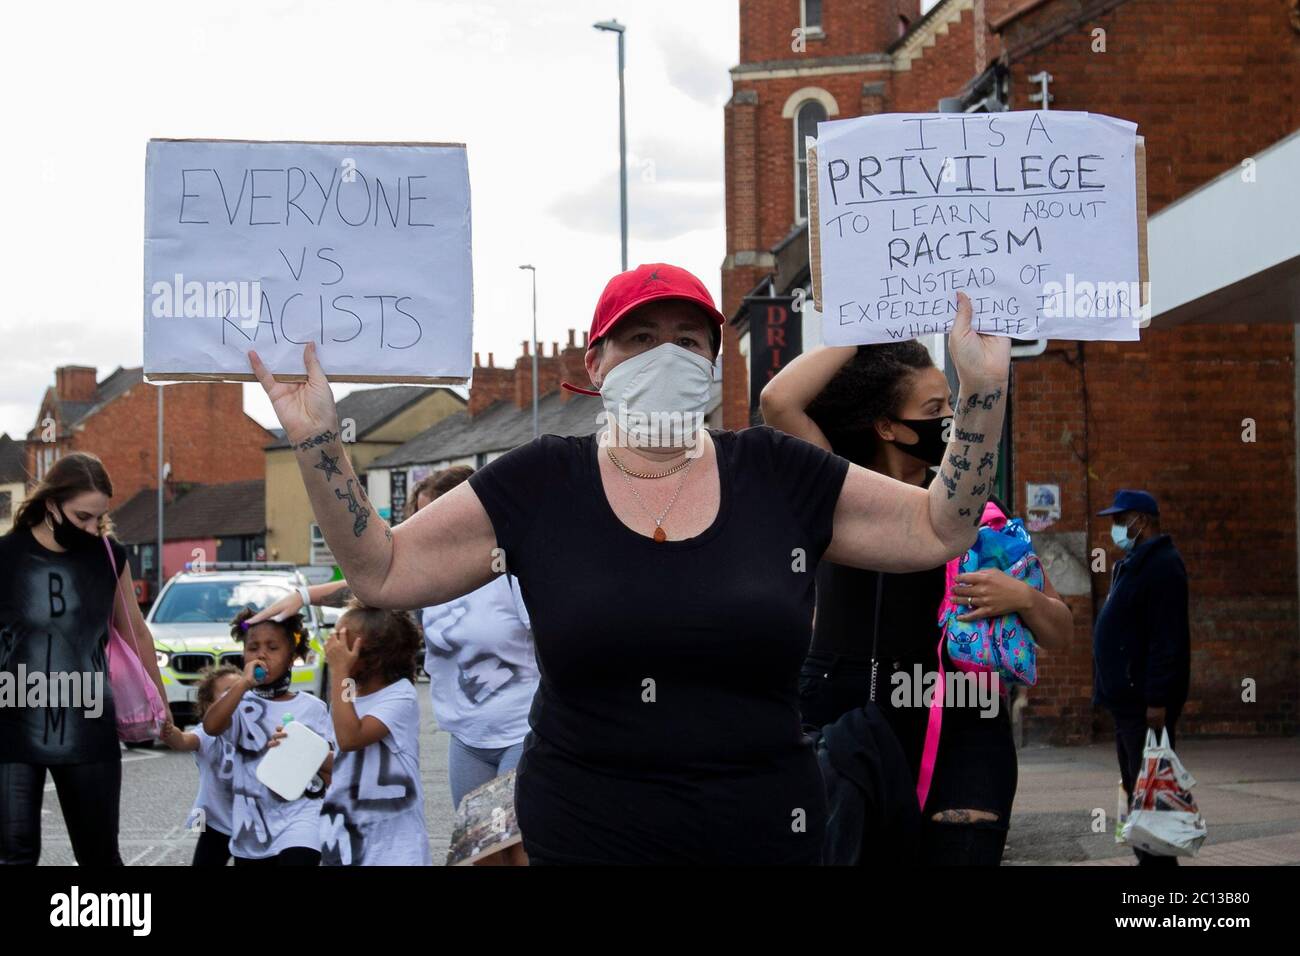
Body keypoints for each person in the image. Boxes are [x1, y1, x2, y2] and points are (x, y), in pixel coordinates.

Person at [250, 261, 1011, 865]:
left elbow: (937, 529)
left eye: (688, 338)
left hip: (765, 831)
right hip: (586, 833)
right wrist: (319, 439)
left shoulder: (778, 473)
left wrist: (982, 395)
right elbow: (384, 570)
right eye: (640, 340)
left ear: (715, 361)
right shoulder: (541, 481)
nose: (667, 356)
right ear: (597, 361)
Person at [762, 342, 1073, 865]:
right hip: (846, 715)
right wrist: (862, 326)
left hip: (963, 721)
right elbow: (778, 401)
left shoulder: (979, 510)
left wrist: (1019, 595)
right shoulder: (839, 487)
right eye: (934, 411)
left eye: (952, 406)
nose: (950, 421)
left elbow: (1060, 629)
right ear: (887, 426)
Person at [0, 452, 172, 865]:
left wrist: (162, 708)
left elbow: (136, 630)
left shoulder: (108, 555)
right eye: (82, 517)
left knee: (99, 856)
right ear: (51, 503)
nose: (93, 528)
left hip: (89, 724)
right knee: (13, 856)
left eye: (99, 518)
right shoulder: (5, 555)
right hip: (11, 727)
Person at [1092, 489, 1189, 867]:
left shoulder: (1163, 565)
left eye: (1120, 520)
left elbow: (1168, 640)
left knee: (1152, 788)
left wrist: (1157, 698)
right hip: (1126, 701)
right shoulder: (1134, 563)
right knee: (1138, 787)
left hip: (1143, 703)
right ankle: (1149, 861)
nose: (1116, 528)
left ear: (1141, 521)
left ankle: (1158, 866)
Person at [202, 608, 334, 865]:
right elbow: (211, 727)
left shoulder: (312, 708)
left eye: (273, 648)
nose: (261, 654)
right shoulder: (237, 704)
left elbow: (332, 767)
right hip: (252, 829)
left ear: (292, 656)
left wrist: (300, 747)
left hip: (301, 817)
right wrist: (242, 684)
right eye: (252, 648)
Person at [316, 602, 430, 865]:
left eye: (341, 641)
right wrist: (301, 751)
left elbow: (351, 739)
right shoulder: (347, 699)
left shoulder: (400, 695)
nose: (332, 648)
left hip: (393, 845)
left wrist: (339, 671)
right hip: (345, 838)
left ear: (372, 656)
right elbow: (347, 764)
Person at [160, 665, 242, 866]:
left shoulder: (257, 727)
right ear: (208, 706)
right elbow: (184, 741)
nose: (237, 696)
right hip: (216, 821)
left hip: (252, 823)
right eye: (227, 692)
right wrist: (169, 732)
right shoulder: (208, 734)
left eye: (241, 689)